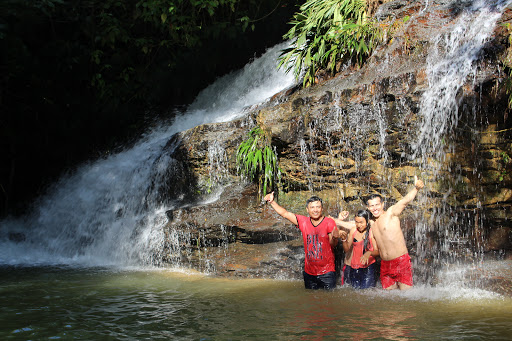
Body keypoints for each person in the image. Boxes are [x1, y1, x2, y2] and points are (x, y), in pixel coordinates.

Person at [334, 176, 424, 290]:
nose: (375, 208)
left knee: (406, 297)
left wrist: (416, 189)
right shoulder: (371, 222)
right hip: (385, 264)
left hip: (400, 261)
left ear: (382, 204)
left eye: (377, 205)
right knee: (389, 299)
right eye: (371, 205)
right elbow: (353, 224)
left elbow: (404, 201)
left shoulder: (391, 214)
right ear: (368, 207)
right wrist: (335, 220)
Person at [263, 191, 344, 290]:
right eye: (312, 207)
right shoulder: (303, 222)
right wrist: (272, 202)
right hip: (309, 272)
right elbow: (285, 214)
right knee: (310, 301)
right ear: (307, 209)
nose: (315, 210)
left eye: (318, 207)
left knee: (328, 302)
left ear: (322, 209)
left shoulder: (329, 222)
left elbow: (333, 245)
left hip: (327, 272)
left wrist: (335, 237)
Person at [341, 210, 379, 289]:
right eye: (356, 222)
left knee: (366, 293)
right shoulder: (353, 230)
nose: (359, 225)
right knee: (356, 294)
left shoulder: (371, 232)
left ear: (367, 221)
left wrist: (369, 253)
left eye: (361, 222)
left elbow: (378, 251)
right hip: (354, 268)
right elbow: (347, 249)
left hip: (368, 268)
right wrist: (344, 240)